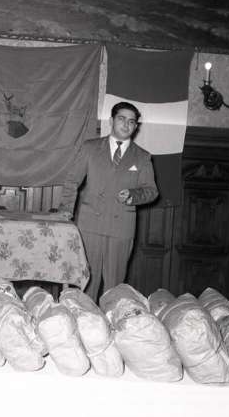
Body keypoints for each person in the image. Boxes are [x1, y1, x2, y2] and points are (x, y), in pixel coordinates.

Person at [58, 101, 158, 302]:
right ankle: (84, 318)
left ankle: (111, 319)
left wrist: (133, 195)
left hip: (121, 227)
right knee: (86, 282)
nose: (126, 125)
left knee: (114, 287)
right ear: (111, 121)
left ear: (136, 126)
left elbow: (151, 191)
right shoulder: (90, 148)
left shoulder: (142, 156)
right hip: (89, 225)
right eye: (122, 119)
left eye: (132, 121)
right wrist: (66, 210)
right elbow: (72, 181)